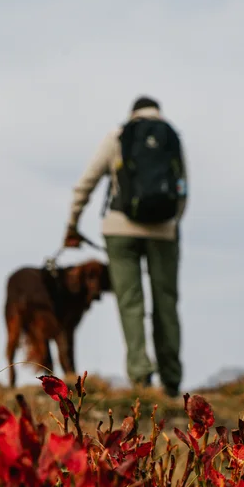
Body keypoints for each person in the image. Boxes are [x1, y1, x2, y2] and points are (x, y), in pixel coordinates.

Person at [64, 95, 188, 397]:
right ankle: (171, 381)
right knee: (165, 303)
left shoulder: (118, 136)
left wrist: (73, 224)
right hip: (164, 231)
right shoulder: (171, 137)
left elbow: (86, 183)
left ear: (132, 113)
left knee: (130, 303)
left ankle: (141, 376)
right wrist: (173, 223)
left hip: (120, 229)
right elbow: (182, 188)